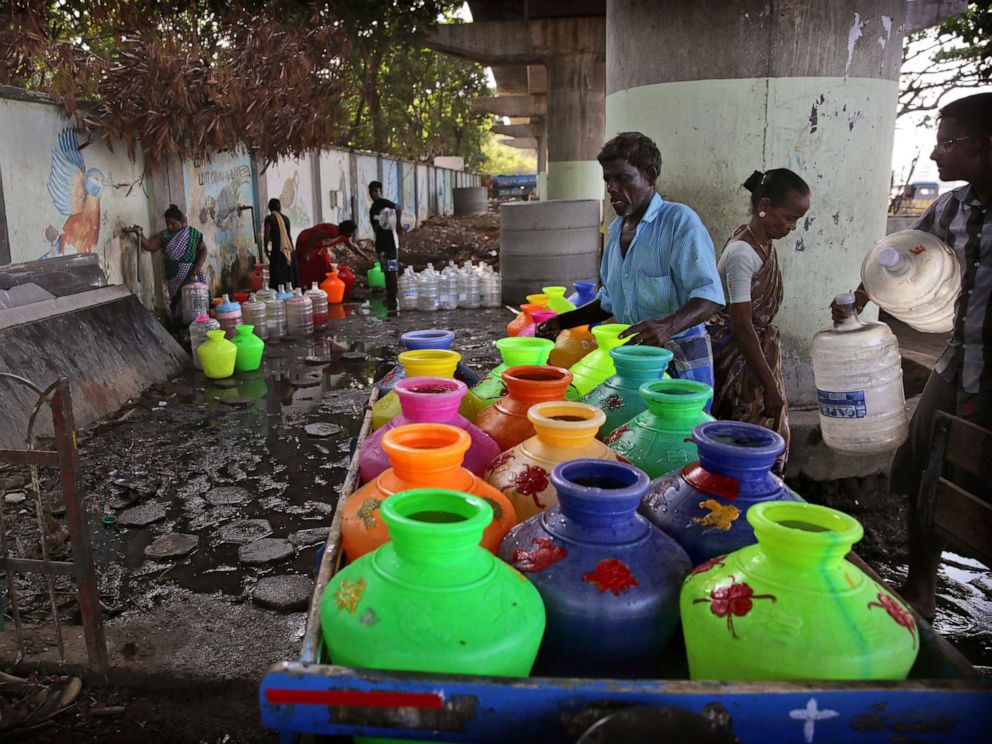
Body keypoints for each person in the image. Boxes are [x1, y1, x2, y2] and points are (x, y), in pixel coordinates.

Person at [832, 92, 992, 617]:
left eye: (948, 143)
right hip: (959, 360)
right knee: (919, 465)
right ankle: (921, 591)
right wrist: (862, 294)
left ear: (986, 147)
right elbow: (905, 254)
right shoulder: (954, 206)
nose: (934, 155)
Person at [536, 131, 725, 389]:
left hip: (680, 358)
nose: (612, 187)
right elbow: (608, 302)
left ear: (648, 175)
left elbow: (710, 296)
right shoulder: (615, 233)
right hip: (635, 360)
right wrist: (563, 321)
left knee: (679, 427)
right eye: (608, 180)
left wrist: (667, 326)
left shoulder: (679, 223)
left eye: (622, 178)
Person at [708, 169, 810, 476]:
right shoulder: (743, 253)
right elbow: (741, 326)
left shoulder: (762, 242)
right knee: (741, 437)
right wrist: (769, 385)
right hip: (738, 355)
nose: (791, 227)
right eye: (788, 217)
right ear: (764, 205)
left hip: (754, 349)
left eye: (797, 220)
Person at [136, 204, 208, 318]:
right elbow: (149, 246)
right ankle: (181, 327)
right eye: (167, 224)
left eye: (173, 224)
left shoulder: (192, 233)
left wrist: (198, 266)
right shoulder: (164, 236)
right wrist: (140, 234)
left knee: (196, 303)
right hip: (174, 280)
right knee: (179, 304)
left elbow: (203, 249)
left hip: (193, 274)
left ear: (182, 222)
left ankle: (200, 322)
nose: (169, 227)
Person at [295, 220, 365, 288]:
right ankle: (302, 285)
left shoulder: (344, 237)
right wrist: (306, 253)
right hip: (306, 242)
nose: (350, 235)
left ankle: (317, 285)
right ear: (345, 230)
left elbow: (353, 247)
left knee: (324, 263)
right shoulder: (333, 231)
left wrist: (364, 256)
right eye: (350, 232)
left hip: (316, 246)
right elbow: (314, 236)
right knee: (305, 264)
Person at [368, 181, 402, 308]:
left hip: (390, 242)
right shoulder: (373, 208)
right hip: (380, 243)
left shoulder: (383, 203)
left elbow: (397, 207)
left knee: (392, 271)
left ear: (380, 192)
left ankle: (393, 299)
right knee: (386, 271)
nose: (375, 193)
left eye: (377, 191)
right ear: (369, 193)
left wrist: (398, 225)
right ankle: (389, 297)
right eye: (372, 191)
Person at [263, 198, 294, 289]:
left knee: (277, 278)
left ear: (269, 208)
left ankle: (278, 297)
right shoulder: (286, 219)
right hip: (288, 251)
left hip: (278, 251)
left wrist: (265, 248)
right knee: (287, 277)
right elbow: (288, 236)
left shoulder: (270, 219)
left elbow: (267, 235)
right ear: (280, 208)